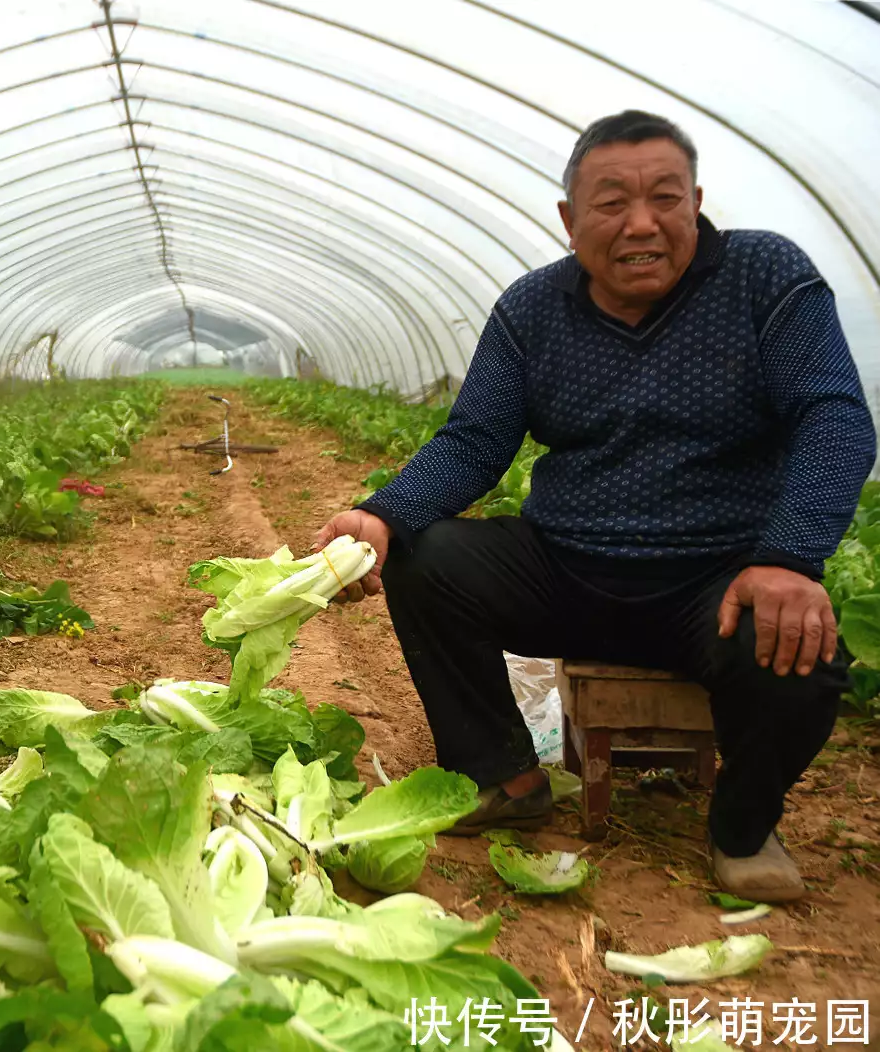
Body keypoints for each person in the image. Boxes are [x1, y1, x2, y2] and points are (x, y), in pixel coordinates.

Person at [313, 110, 876, 903]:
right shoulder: (533, 310)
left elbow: (833, 414)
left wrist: (787, 556)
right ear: (571, 222)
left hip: (714, 583)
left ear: (697, 202)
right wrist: (384, 512)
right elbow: (475, 442)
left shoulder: (764, 278)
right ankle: (504, 778)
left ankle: (742, 827)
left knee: (799, 653)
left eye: (664, 198)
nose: (641, 224)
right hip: (567, 570)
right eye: (612, 204)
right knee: (426, 558)